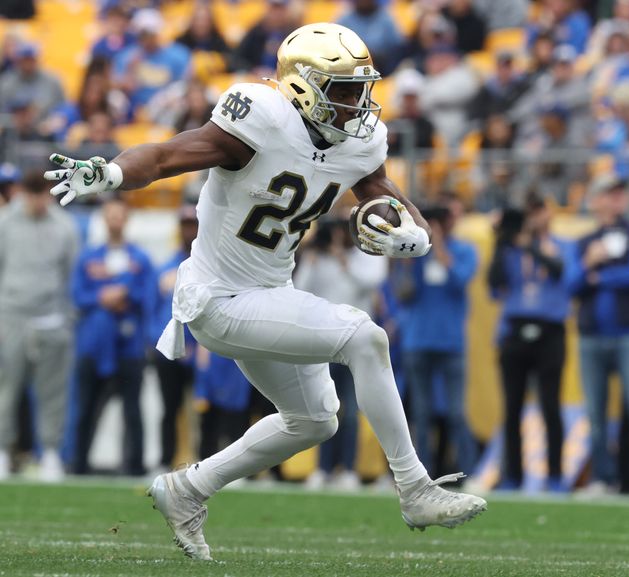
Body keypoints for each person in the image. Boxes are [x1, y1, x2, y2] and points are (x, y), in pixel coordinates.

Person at [45, 23, 486, 561]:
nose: (357, 103)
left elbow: (378, 189)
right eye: (343, 90)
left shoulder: (360, 138)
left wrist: (415, 230)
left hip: (271, 294)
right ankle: (415, 489)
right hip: (219, 300)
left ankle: (187, 489)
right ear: (302, 86)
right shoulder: (260, 117)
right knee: (364, 338)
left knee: (316, 419)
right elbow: (165, 156)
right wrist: (111, 171)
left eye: (359, 89)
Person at [565, 174, 629, 496]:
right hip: (592, 335)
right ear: (595, 200)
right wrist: (588, 265)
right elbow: (570, 284)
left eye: (620, 193)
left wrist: (600, 275)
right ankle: (602, 479)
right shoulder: (584, 242)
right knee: (595, 413)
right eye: (609, 194)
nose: (616, 199)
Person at [294, 217, 388, 490]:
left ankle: (347, 469)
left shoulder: (364, 255)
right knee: (323, 407)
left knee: (350, 409)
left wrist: (343, 259)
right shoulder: (318, 258)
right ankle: (322, 469)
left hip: (354, 343)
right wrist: (312, 257)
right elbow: (300, 290)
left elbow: (371, 282)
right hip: (322, 342)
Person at [488, 193, 570, 491]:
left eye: (539, 210)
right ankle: (513, 476)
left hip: (550, 331)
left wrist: (530, 247)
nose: (534, 218)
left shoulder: (561, 245)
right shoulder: (511, 250)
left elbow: (562, 272)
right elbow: (493, 283)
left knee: (550, 405)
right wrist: (501, 243)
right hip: (515, 329)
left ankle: (556, 476)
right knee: (512, 407)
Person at [0, 172, 79, 481]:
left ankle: (50, 453)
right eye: (32, 193)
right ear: (21, 192)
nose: (37, 201)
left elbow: (70, 274)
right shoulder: (5, 222)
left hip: (52, 317)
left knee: (52, 391)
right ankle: (4, 452)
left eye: (42, 193)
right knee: (6, 388)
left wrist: (65, 317)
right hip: (11, 316)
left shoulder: (65, 226)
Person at [70, 197, 155, 476]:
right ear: (104, 219)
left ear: (127, 219)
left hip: (129, 346)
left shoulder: (140, 259)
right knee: (86, 407)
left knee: (132, 409)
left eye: (120, 215)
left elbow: (149, 297)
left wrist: (125, 295)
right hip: (94, 345)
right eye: (110, 215)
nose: (115, 221)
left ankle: (135, 465)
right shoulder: (89, 257)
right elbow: (77, 296)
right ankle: (78, 463)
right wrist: (102, 297)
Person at [396, 201, 478, 478]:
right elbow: (403, 294)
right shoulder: (416, 254)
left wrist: (439, 247)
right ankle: (423, 475)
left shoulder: (465, 250)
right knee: (420, 414)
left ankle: (469, 472)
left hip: (451, 342)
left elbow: (459, 280)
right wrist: (407, 263)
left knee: (456, 412)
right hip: (418, 341)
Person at [150, 205, 199, 473]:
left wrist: (199, 347)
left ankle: (204, 461)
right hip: (170, 351)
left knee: (202, 410)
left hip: (201, 349)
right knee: (169, 409)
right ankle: (165, 459)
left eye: (193, 225)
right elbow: (154, 309)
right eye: (185, 225)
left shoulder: (208, 268)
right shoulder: (167, 267)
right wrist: (155, 343)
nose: (189, 231)